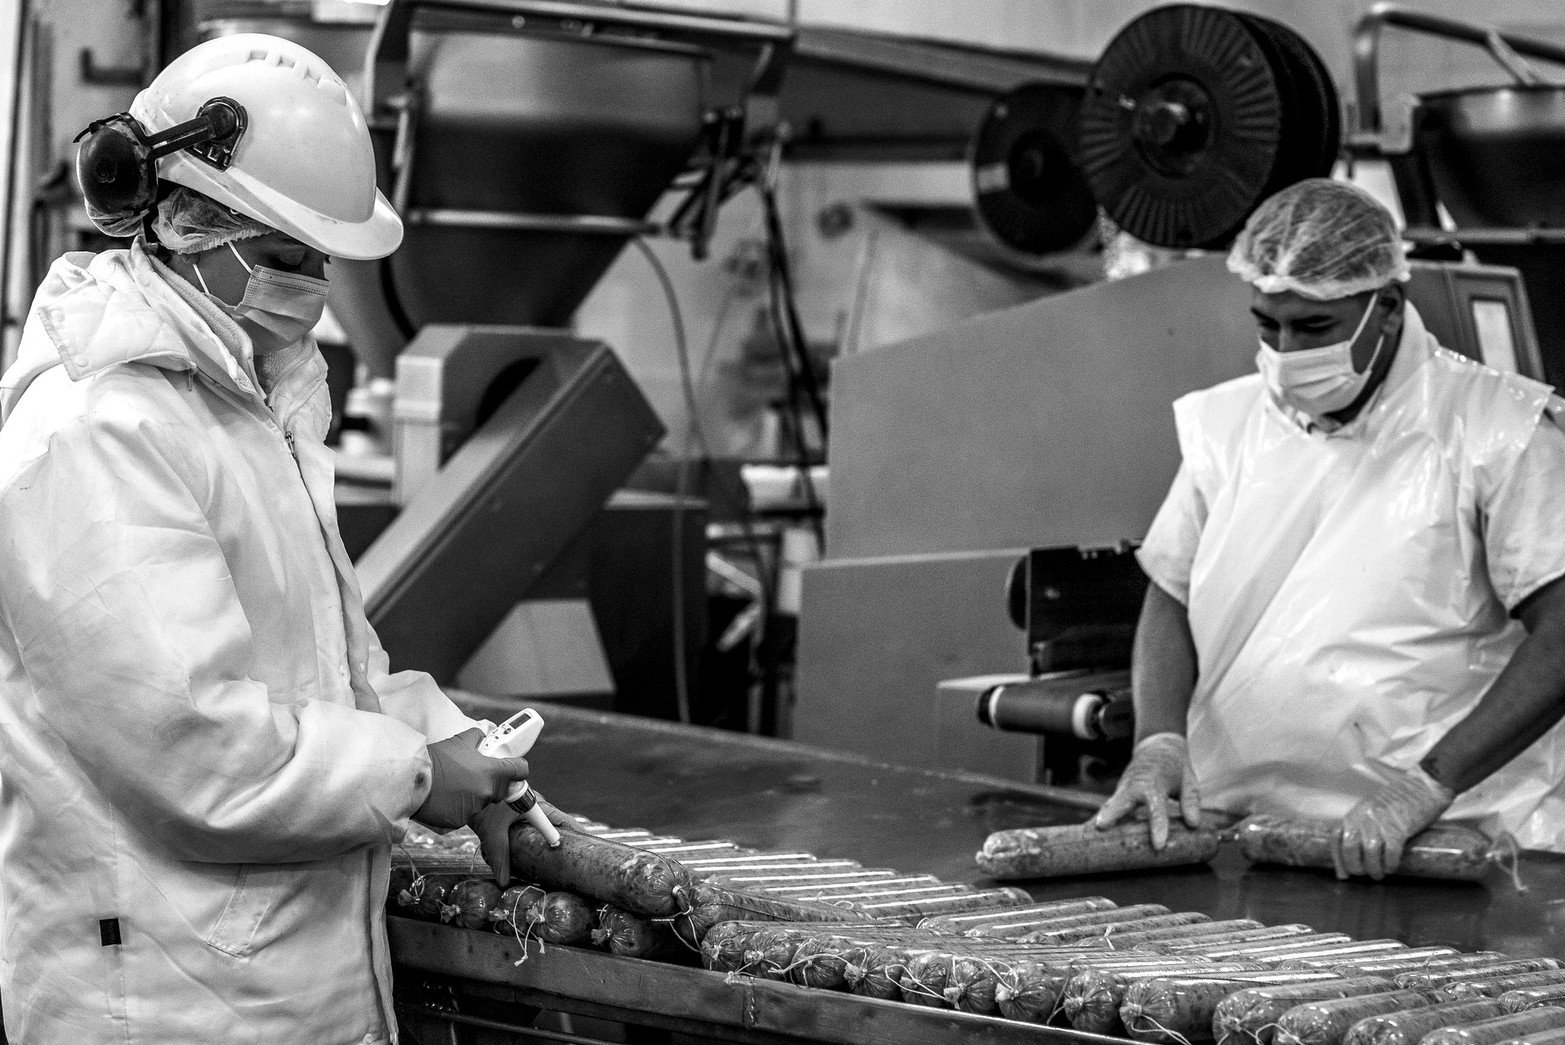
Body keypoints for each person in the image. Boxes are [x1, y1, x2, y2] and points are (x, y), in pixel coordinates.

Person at [0, 34, 548, 1044]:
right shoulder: (98, 431)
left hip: (270, 974)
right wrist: (416, 776)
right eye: (285, 258)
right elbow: (200, 755)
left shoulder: (238, 402)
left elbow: (312, 664)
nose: (309, 290)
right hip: (169, 997)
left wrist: (439, 736)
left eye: (317, 263)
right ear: (181, 219)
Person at [1095, 178, 1565, 879]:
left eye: (1312, 327)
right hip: (1242, 834)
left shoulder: (1493, 430)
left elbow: (1560, 632)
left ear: (1386, 306)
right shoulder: (1227, 426)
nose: (1284, 352)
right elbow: (1170, 590)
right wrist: (1158, 742)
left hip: (1445, 847)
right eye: (1266, 324)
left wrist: (1426, 784)